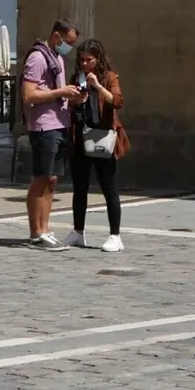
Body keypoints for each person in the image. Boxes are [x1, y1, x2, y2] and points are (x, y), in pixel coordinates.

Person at [20, 18, 82, 251]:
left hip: (59, 124)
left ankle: (45, 229)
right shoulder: (38, 57)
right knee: (41, 178)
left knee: (52, 180)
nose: (70, 47)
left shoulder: (57, 58)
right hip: (44, 127)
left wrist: (71, 96)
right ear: (56, 36)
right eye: (68, 42)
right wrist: (61, 91)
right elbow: (29, 95)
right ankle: (36, 233)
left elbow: (55, 93)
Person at [62, 39, 129, 252]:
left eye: (88, 60)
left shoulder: (110, 77)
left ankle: (115, 236)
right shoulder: (76, 78)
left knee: (108, 187)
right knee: (79, 187)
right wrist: (73, 101)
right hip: (81, 136)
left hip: (102, 137)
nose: (84, 64)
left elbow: (117, 101)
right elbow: (68, 104)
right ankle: (78, 232)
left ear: (98, 59)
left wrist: (98, 86)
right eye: (81, 60)